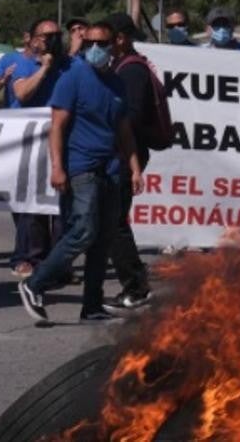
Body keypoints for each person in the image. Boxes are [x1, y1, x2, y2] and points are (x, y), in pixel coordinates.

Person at [18, 21, 143, 324]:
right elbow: (57, 127)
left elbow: (124, 130)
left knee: (103, 238)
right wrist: (58, 168)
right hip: (81, 166)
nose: (96, 50)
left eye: (103, 43)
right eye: (89, 44)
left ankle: (92, 306)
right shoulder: (72, 77)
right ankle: (35, 283)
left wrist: (134, 167)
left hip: (111, 169)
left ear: (115, 45)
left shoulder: (117, 83)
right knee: (84, 230)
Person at [7, 18, 74, 277]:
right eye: (46, 36)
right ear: (33, 38)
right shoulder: (24, 63)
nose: (51, 40)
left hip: (62, 142)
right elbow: (23, 94)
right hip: (30, 145)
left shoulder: (71, 66)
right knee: (31, 206)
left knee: (60, 208)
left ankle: (57, 263)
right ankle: (29, 258)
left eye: (56, 35)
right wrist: (44, 68)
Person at [102, 13, 157, 311]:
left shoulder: (132, 70)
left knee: (115, 223)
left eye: (106, 39)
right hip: (121, 152)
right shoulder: (121, 65)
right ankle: (135, 282)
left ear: (120, 38)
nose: (101, 46)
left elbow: (131, 115)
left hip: (127, 153)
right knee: (111, 222)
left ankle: (136, 288)